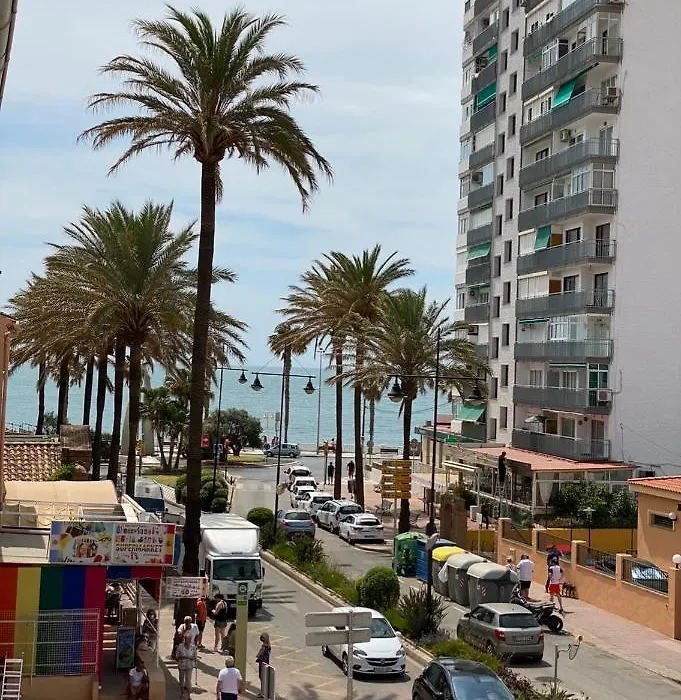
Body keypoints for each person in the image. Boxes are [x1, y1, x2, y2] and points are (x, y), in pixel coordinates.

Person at [176, 634, 197, 699]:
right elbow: (176, 657)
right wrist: (181, 657)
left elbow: (195, 657)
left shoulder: (193, 647)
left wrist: (192, 658)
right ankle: (182, 693)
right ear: (184, 640)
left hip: (189, 666)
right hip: (181, 666)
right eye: (187, 640)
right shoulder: (180, 646)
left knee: (188, 680)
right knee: (181, 680)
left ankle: (188, 695)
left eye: (189, 640)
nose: (188, 641)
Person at [255, 632, 271, 698]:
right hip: (266, 662)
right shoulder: (269, 646)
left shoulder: (263, 647)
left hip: (262, 663)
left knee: (262, 677)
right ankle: (265, 692)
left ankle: (262, 693)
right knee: (265, 677)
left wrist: (258, 656)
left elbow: (258, 655)